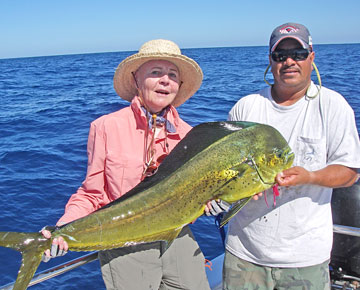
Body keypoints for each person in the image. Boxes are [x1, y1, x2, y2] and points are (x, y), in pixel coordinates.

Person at [42, 39, 210, 290]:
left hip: (178, 237)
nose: (165, 80)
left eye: (172, 75)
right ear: (136, 80)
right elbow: (92, 193)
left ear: (179, 85)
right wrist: (63, 228)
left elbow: (198, 195)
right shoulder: (106, 127)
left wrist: (214, 203)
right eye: (156, 72)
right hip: (125, 241)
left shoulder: (192, 135)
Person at [224, 22, 360, 289]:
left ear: (311, 57)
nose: (289, 61)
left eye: (297, 54)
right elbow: (228, 171)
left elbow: (350, 172)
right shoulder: (246, 107)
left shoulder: (333, 106)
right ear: (270, 61)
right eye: (280, 55)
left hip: (305, 258)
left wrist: (310, 176)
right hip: (244, 253)